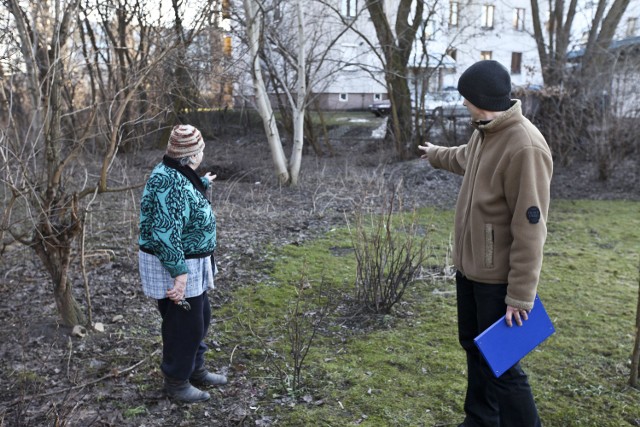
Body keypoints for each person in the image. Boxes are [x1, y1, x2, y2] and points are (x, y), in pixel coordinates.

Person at [418, 60, 553, 426]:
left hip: (498, 282)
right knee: (476, 351)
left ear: (479, 98)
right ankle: (480, 421)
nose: (462, 103)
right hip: (471, 270)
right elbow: (465, 158)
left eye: (465, 97)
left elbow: (531, 228)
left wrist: (520, 296)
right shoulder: (485, 131)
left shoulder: (525, 146)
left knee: (504, 366)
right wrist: (434, 154)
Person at [138, 124, 227, 403]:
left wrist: (203, 183)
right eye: (200, 150)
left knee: (199, 319)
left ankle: (195, 369)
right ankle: (177, 382)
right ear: (192, 155)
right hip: (176, 263)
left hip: (190, 260)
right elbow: (165, 233)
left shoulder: (177, 173)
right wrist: (179, 275)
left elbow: (183, 198)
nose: (202, 154)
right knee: (183, 326)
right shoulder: (170, 182)